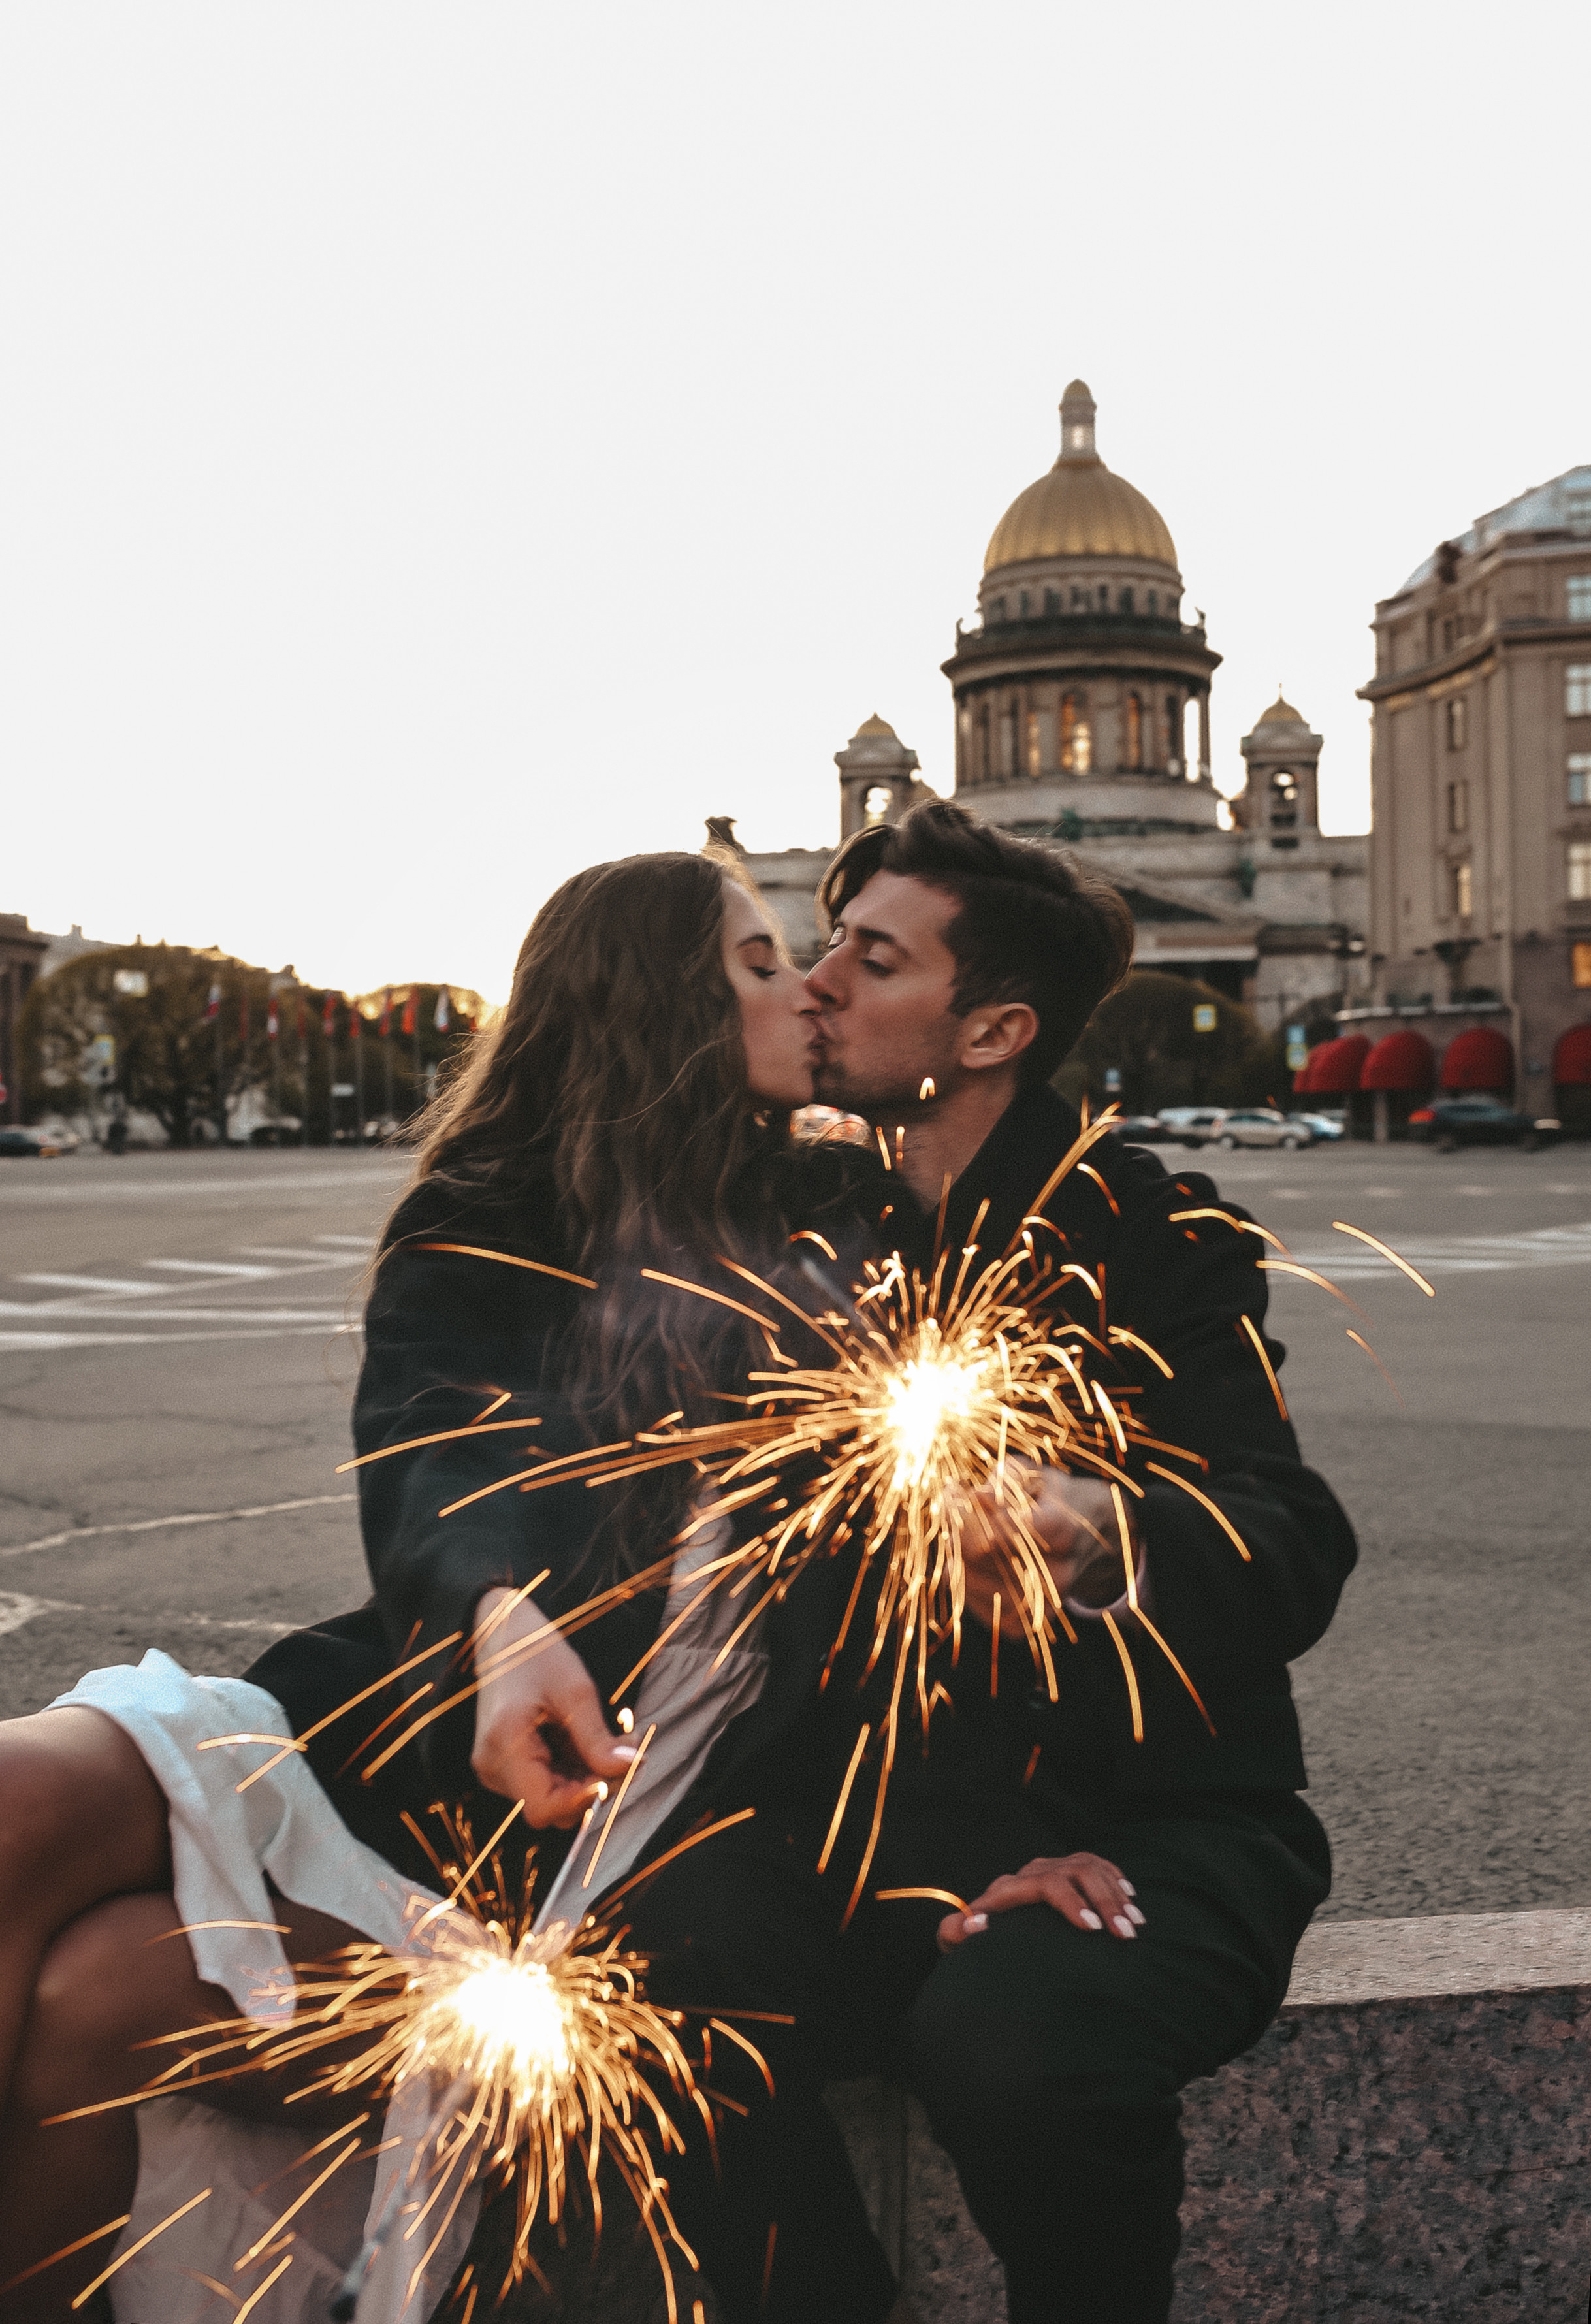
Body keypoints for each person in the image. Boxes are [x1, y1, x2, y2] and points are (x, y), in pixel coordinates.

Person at [0, 850, 898, 2323]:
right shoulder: (484, 1206)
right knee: (18, 1799)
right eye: (754, 960)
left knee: (97, 1988)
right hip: (407, 1715)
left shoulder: (844, 1223)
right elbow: (426, 1431)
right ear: (651, 1003)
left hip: (583, 1857)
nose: (801, 986)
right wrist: (495, 1604)